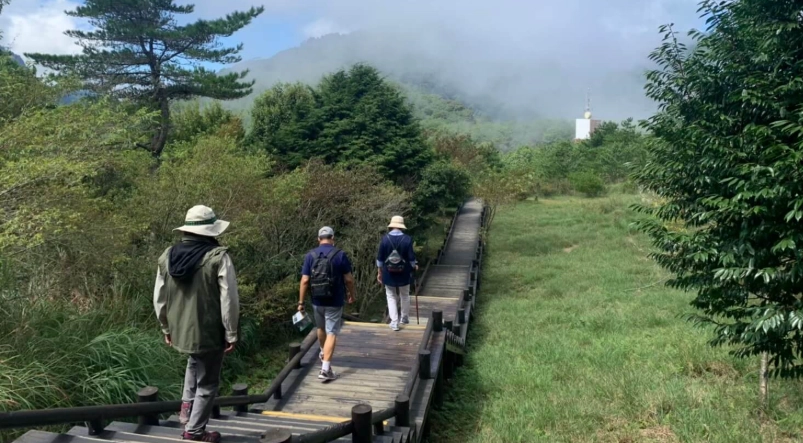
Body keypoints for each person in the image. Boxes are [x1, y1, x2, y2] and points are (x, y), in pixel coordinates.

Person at [153, 205, 239, 443]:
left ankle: (186, 411)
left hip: (179, 329)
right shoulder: (218, 257)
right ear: (210, 231)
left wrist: (166, 327)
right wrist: (231, 332)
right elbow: (229, 300)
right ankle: (194, 431)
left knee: (194, 360)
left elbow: (159, 299)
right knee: (208, 383)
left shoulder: (167, 255)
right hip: (209, 330)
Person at [298, 226, 356, 382]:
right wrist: (352, 294)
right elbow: (349, 279)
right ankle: (325, 369)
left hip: (317, 300)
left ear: (318, 239)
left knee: (321, 328)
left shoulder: (310, 255)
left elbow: (304, 280)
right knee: (331, 332)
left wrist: (301, 302)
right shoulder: (340, 255)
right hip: (335, 300)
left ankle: (324, 353)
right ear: (333, 237)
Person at [376, 216, 417, 331]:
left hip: (388, 272)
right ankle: (404, 318)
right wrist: (414, 266)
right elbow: (411, 258)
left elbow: (380, 258)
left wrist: (379, 272)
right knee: (405, 294)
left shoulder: (385, 239)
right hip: (404, 271)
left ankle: (394, 322)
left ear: (392, 225)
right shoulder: (407, 239)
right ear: (401, 226)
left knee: (391, 296)